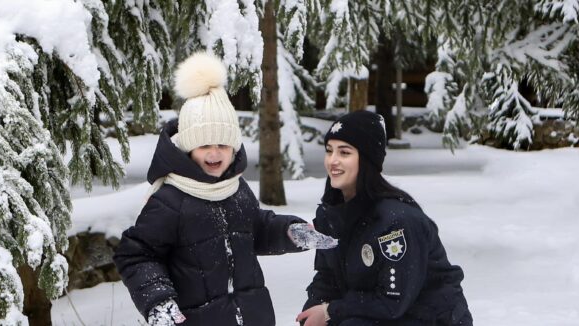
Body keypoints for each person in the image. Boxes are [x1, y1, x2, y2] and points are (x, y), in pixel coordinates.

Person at [113, 52, 336, 326]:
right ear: (188, 147)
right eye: (204, 145)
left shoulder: (236, 189)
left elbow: (256, 228)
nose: (214, 153)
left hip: (252, 317)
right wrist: (158, 299)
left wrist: (289, 232)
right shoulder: (170, 200)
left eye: (222, 145)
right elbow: (136, 254)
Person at [296, 111, 472, 326]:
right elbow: (327, 277)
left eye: (344, 152)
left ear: (367, 159)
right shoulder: (330, 216)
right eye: (329, 150)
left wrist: (330, 311)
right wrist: (312, 311)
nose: (333, 160)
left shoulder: (396, 222)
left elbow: (393, 301)